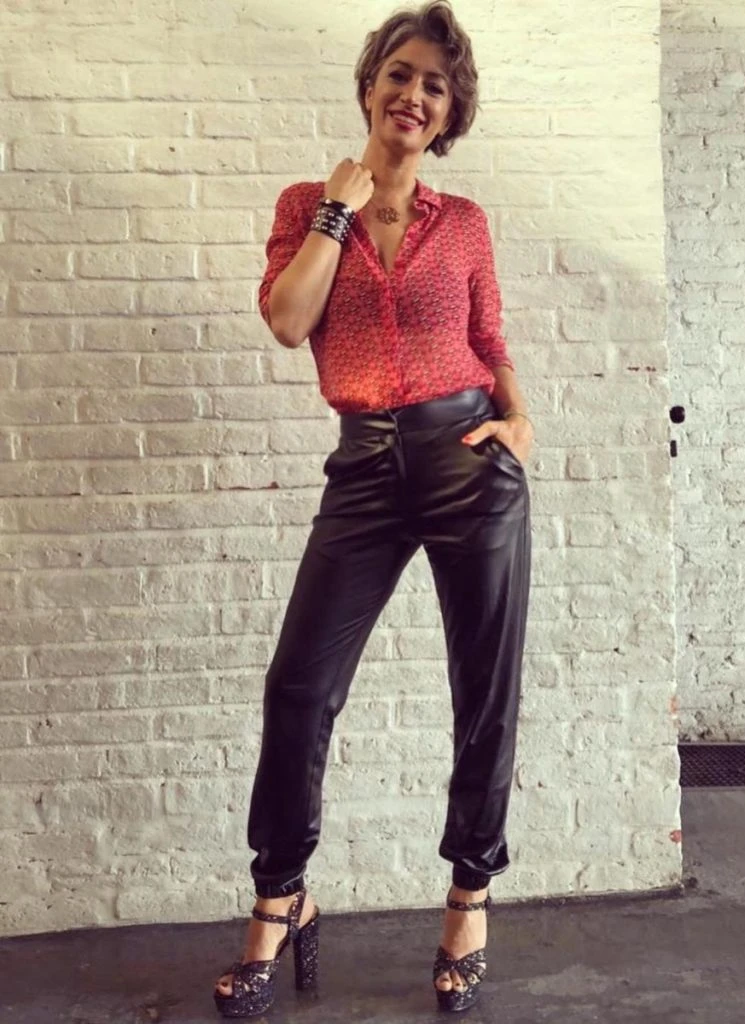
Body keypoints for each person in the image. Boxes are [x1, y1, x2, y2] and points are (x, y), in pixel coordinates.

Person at [213, 1, 533, 1016]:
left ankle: (469, 897)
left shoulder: (464, 222)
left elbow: (490, 339)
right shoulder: (309, 202)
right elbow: (286, 320)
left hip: (467, 460)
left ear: (450, 113)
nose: (414, 94)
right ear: (369, 87)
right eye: (400, 74)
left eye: (435, 85)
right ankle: (281, 897)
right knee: (298, 689)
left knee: (484, 690)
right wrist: (334, 212)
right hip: (363, 469)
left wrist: (518, 421)